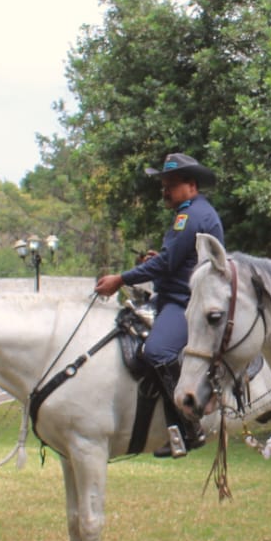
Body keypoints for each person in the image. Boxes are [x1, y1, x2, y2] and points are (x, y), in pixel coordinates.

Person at [96, 152, 225, 457]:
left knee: (157, 351)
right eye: (163, 185)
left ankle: (189, 426)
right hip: (172, 297)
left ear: (191, 185)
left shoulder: (190, 215)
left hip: (186, 303)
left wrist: (121, 279)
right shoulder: (193, 212)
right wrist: (158, 261)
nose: (164, 190)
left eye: (171, 184)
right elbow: (176, 260)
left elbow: (168, 264)